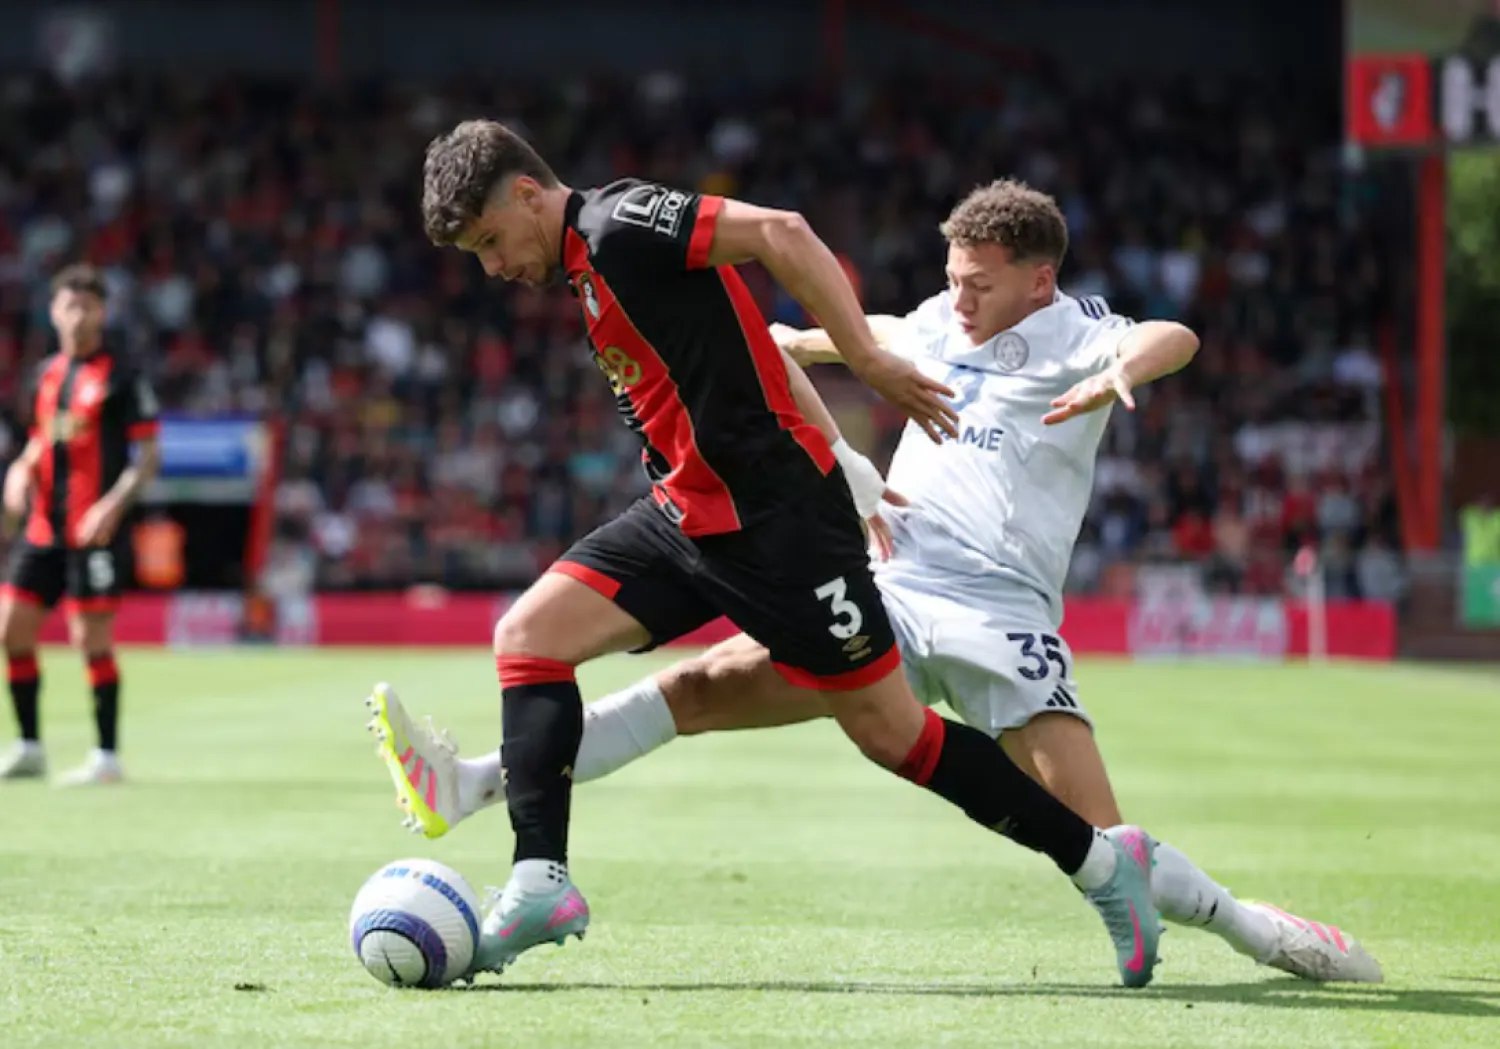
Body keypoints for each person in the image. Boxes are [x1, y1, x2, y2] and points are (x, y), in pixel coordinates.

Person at [372, 177, 1382, 985]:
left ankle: (1253, 927)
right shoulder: (934, 325)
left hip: (998, 614)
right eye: (954, 274)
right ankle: (486, 796)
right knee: (692, 688)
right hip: (886, 575)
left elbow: (1170, 337)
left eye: (981, 278)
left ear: (1038, 278)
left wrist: (1128, 372)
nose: (960, 294)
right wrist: (856, 463)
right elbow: (780, 348)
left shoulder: (1078, 334)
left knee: (1092, 825)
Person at [0, 263, 161, 785]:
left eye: (87, 306)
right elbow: (38, 439)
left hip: (95, 533)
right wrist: (21, 471)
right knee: (11, 630)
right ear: (53, 312)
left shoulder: (122, 375)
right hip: (43, 530)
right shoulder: (46, 374)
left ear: (102, 312)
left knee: (89, 639)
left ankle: (107, 757)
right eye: (69, 306)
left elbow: (148, 455)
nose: (77, 316)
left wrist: (112, 504)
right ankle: (29, 746)